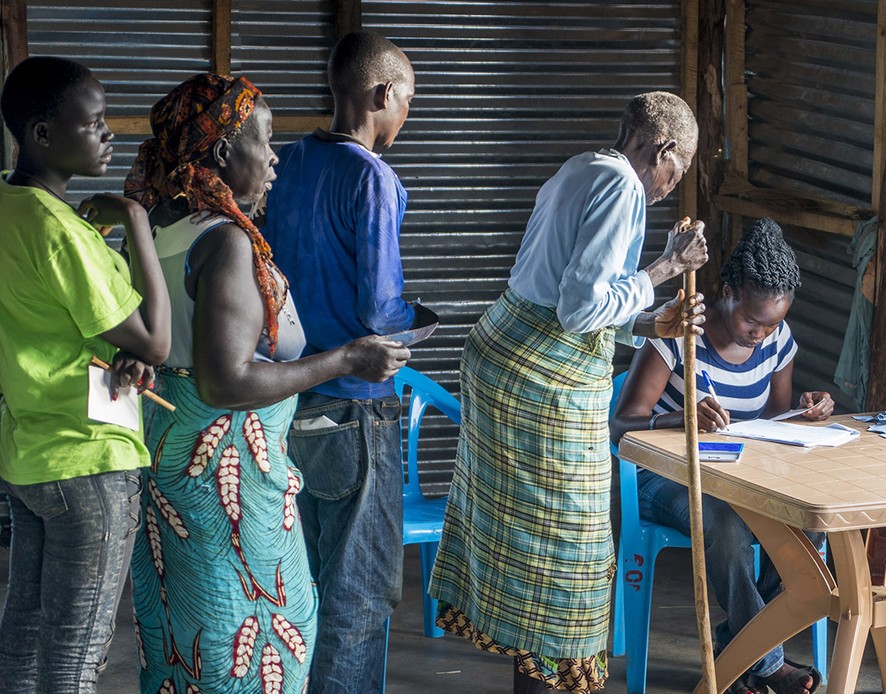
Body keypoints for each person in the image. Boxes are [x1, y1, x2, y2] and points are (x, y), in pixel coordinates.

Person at [124, 73, 410, 694]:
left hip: (172, 465)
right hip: (228, 480)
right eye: (266, 140)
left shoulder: (154, 229)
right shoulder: (222, 240)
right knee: (250, 647)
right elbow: (227, 380)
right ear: (224, 151)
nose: (276, 157)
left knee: (189, 644)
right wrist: (345, 360)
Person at [428, 91, 708, 694]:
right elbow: (580, 310)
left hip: (507, 353)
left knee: (531, 547)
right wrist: (665, 267)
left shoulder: (582, 166)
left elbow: (566, 291)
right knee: (564, 554)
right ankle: (542, 681)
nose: (671, 186)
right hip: (539, 380)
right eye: (678, 169)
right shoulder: (624, 188)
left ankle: (534, 677)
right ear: (661, 149)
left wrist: (650, 320)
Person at [0, 56, 171, 691]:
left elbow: (50, 317)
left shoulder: (12, 203)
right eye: (94, 122)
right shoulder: (61, 234)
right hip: (89, 461)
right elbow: (155, 341)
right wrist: (136, 223)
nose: (109, 134)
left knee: (24, 637)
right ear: (42, 134)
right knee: (74, 657)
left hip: (29, 454)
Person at [609, 218, 834, 694]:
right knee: (727, 528)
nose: (760, 333)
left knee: (803, 532)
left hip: (736, 477)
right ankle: (769, 664)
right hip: (664, 477)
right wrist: (683, 417)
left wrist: (804, 413)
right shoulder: (677, 331)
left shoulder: (777, 339)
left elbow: (771, 425)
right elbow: (622, 424)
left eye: (771, 322)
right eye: (751, 320)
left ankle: (736, 654)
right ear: (727, 292)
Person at [262, 31, 417, 693]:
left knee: (310, 579)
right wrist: (421, 321)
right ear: (381, 94)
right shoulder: (372, 177)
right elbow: (381, 310)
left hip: (294, 399)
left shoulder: (291, 161)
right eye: (409, 100)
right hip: (357, 407)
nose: (408, 114)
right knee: (358, 593)